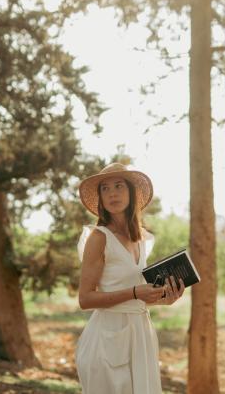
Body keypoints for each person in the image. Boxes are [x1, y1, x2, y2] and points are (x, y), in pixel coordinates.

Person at [75, 163, 184, 394]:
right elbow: (85, 299)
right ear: (101, 198)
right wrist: (135, 292)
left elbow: (136, 299)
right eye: (105, 188)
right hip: (107, 341)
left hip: (141, 337)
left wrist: (163, 299)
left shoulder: (141, 239)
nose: (112, 193)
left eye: (119, 186)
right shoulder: (99, 238)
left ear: (131, 193)